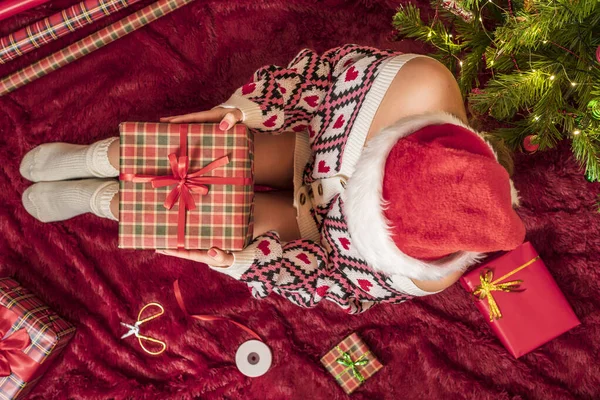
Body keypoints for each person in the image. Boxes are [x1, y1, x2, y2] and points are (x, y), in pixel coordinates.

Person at [19, 44, 525, 313]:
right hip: (302, 143)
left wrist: (241, 262)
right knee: (199, 152)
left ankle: (103, 199)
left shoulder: (423, 274)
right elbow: (320, 79)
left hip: (306, 228)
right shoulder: (419, 83)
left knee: (195, 215)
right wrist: (247, 113)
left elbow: (331, 282)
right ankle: (102, 158)